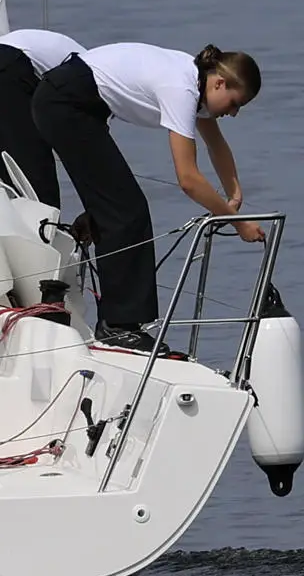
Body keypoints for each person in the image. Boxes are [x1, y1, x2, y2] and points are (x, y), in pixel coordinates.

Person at [31, 42, 263, 353]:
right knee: (128, 210)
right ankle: (118, 326)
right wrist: (237, 223)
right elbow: (189, 180)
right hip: (66, 103)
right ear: (219, 83)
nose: (233, 113)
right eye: (235, 103)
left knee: (118, 206)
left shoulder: (195, 82)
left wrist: (234, 192)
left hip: (77, 103)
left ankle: (120, 322)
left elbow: (216, 146)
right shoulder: (182, 90)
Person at [0, 28, 83, 209]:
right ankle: (45, 230)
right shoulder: (95, 88)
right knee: (38, 186)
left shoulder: (87, 65)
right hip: (2, 73)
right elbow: (86, 155)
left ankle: (27, 229)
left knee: (15, 184)